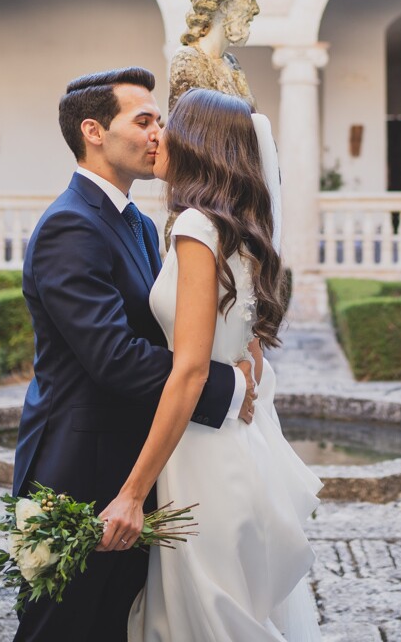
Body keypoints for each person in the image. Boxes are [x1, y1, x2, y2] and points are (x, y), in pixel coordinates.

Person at [10, 68, 258, 642]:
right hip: (77, 467)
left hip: (140, 460)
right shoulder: (68, 226)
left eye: (160, 121)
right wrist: (225, 387)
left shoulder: (143, 227)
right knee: (61, 625)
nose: (158, 134)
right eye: (142, 120)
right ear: (93, 131)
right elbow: (115, 357)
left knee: (118, 623)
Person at [100, 88, 323, 642]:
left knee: (204, 615)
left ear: (197, 143)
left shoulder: (198, 228)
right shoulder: (240, 232)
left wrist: (131, 492)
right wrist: (244, 377)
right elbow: (249, 348)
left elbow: (191, 370)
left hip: (199, 453)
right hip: (236, 446)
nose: (158, 136)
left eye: (169, 126)